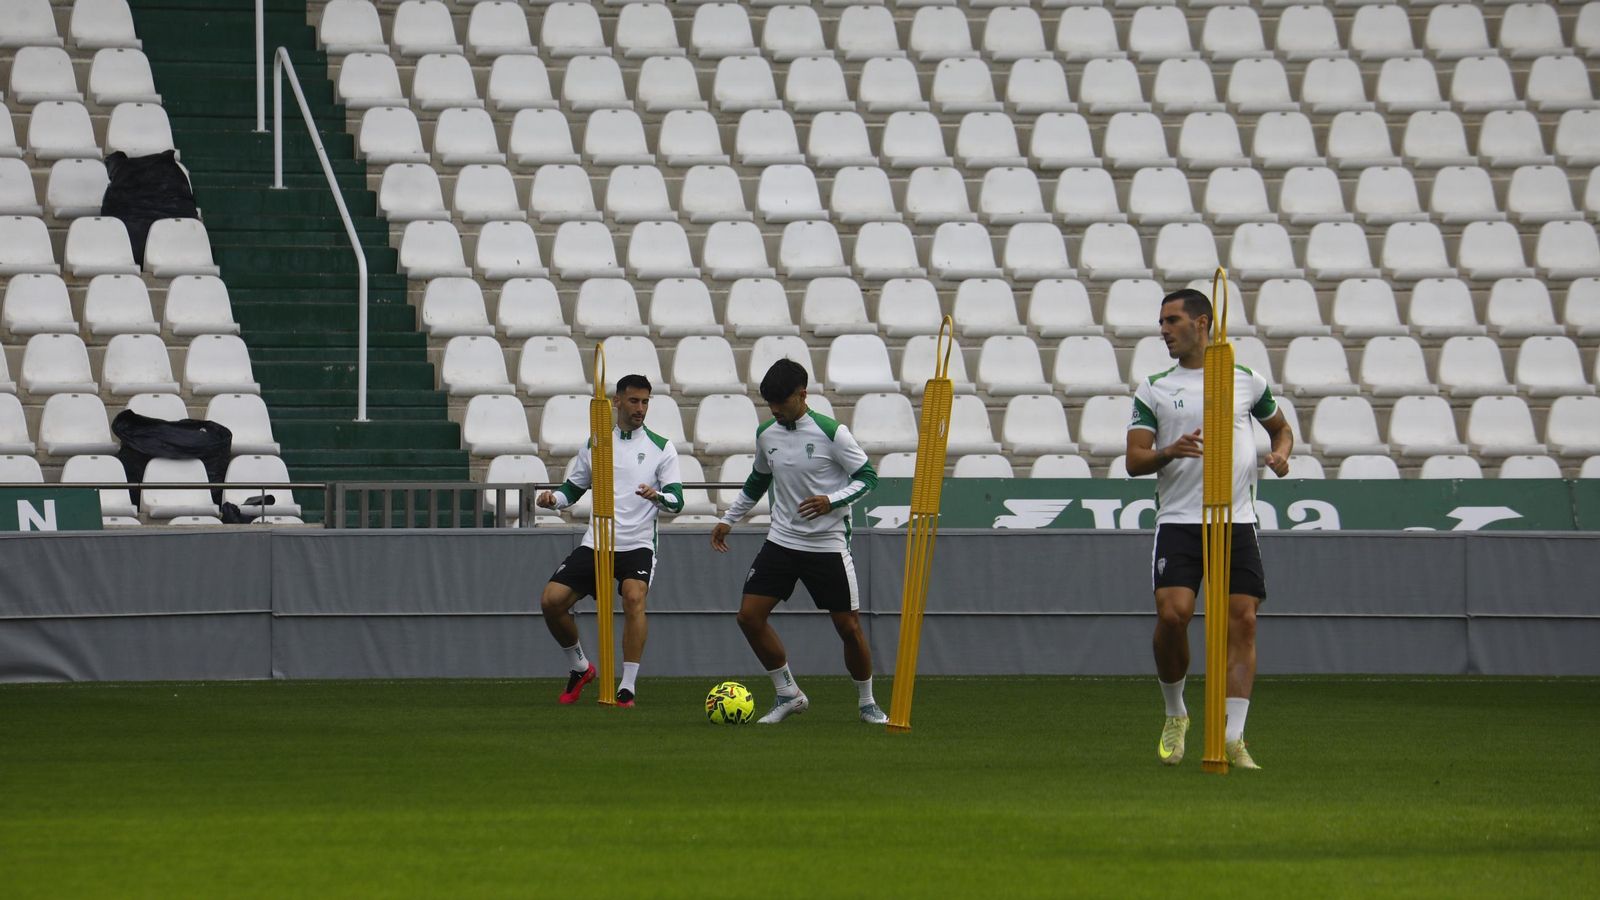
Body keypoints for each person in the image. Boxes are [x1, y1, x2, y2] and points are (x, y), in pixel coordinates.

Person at [1125, 289, 1293, 770]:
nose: (1163, 330)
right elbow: (1134, 460)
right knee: (1173, 615)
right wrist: (1167, 451)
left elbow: (1281, 428)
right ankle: (1176, 712)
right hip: (1179, 520)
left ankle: (1235, 736)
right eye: (1160, 321)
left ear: (1202, 323)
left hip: (1236, 519)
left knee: (1243, 620)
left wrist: (1280, 452)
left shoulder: (1246, 380)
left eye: (1172, 320)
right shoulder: (1154, 386)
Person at [710, 359, 886, 725]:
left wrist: (831, 500)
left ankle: (867, 702)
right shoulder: (766, 433)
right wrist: (728, 519)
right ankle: (789, 693)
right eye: (769, 404)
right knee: (749, 617)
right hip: (782, 541)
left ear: (802, 395)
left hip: (827, 544)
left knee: (849, 628)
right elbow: (757, 481)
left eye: (781, 402)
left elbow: (868, 477)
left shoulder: (831, 432)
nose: (774, 410)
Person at [536, 374, 684, 708]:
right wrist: (553, 500)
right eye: (634, 401)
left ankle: (627, 686)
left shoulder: (662, 447)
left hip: (638, 544)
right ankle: (580, 666)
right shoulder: (596, 443)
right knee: (551, 601)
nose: (640, 408)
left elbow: (677, 501)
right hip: (598, 541)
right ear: (616, 402)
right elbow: (573, 488)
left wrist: (656, 496)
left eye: (646, 402)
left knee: (634, 598)